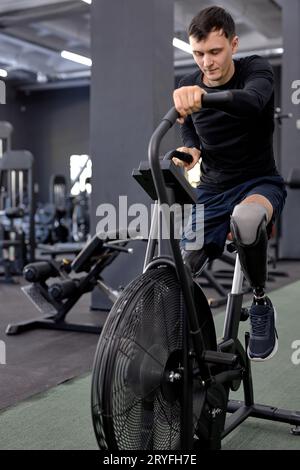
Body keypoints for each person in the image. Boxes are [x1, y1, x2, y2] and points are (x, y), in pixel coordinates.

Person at [172, 6, 287, 361]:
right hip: (212, 188)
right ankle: (190, 336)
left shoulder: (257, 69)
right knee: (184, 262)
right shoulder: (185, 84)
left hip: (259, 182)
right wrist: (187, 153)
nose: (207, 62)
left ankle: (261, 303)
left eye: (215, 51)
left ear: (233, 44)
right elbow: (191, 134)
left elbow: (252, 103)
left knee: (247, 220)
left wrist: (202, 98)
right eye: (198, 53)